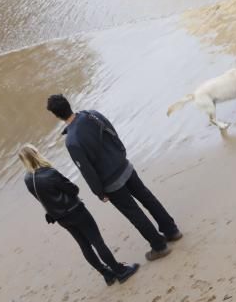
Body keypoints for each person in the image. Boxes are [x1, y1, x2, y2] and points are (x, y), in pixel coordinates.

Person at [46, 94, 181, 261]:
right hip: (124, 166)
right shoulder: (91, 114)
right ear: (68, 103)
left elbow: (87, 170)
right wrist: (121, 153)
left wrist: (99, 192)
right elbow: (112, 132)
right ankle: (172, 230)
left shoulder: (72, 141)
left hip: (111, 183)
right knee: (147, 198)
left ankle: (159, 246)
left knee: (134, 213)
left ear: (56, 115)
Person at [19, 144, 139, 286]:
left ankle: (107, 274)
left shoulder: (27, 179)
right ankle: (120, 271)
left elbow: (42, 199)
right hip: (76, 211)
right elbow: (73, 189)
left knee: (84, 245)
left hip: (61, 218)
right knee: (97, 241)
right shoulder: (50, 173)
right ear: (36, 154)